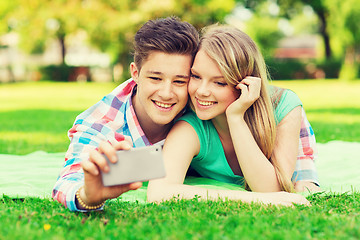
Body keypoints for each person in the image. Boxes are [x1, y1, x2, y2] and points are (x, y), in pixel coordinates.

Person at [147, 25, 318, 206]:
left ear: (245, 83)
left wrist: (236, 118)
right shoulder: (191, 127)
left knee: (305, 182)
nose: (201, 91)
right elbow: (160, 191)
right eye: (196, 76)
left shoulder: (284, 106)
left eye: (220, 83)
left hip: (295, 147)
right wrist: (253, 199)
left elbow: (273, 189)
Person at [52, 16, 200, 211]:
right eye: (155, 78)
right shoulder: (102, 124)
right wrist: (87, 196)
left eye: (180, 81)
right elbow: (70, 180)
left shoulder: (199, 106)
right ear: (135, 73)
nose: (166, 93)